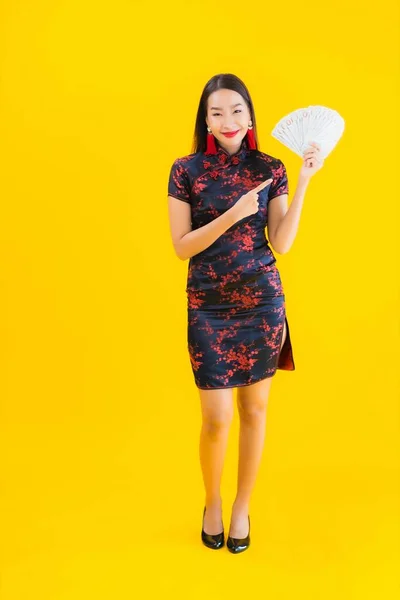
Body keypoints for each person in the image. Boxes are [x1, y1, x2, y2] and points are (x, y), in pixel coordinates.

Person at [167, 73, 324, 553]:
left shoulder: (271, 167)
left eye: (236, 110)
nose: (228, 120)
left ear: (250, 116)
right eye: (217, 112)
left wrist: (303, 182)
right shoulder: (184, 170)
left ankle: (241, 508)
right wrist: (233, 214)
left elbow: (282, 242)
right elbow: (181, 247)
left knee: (254, 411)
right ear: (206, 121)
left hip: (261, 303)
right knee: (216, 419)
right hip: (208, 306)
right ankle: (212, 501)